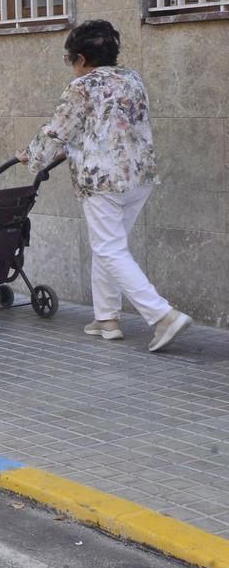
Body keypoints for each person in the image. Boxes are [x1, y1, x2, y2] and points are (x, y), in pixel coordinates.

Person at [17, 20, 191, 353]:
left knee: (110, 249)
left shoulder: (82, 86)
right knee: (109, 246)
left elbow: (58, 130)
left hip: (102, 181)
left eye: (70, 60)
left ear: (80, 58)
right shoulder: (132, 79)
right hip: (137, 176)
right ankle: (106, 318)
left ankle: (163, 316)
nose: (71, 67)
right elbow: (108, 125)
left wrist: (30, 157)